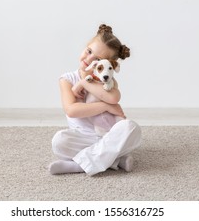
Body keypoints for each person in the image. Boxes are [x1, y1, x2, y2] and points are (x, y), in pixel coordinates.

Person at [49, 24, 142, 176]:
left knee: (131, 128)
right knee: (59, 141)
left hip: (109, 134)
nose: (89, 59)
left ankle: (79, 166)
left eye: (98, 59)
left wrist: (84, 83)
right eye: (89, 51)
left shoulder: (106, 79)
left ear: (108, 65)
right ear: (85, 47)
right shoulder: (67, 79)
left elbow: (113, 97)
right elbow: (72, 110)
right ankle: (115, 160)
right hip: (84, 137)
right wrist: (105, 107)